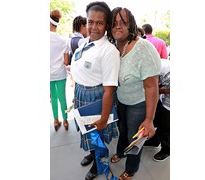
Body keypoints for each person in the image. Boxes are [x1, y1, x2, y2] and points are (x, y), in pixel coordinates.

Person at [109, 7, 161, 180]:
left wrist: (149, 119)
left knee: (135, 137)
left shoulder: (143, 48)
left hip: (139, 104)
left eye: (123, 22)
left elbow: (152, 87)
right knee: (122, 131)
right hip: (121, 101)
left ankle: (131, 169)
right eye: (114, 23)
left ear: (131, 24)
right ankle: (121, 153)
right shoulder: (113, 46)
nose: (118, 26)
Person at [70, 2, 120, 180]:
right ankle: (93, 154)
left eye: (99, 23)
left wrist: (104, 118)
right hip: (81, 93)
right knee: (87, 131)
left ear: (107, 25)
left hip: (97, 97)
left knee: (97, 133)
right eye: (91, 22)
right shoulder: (84, 42)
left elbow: (109, 90)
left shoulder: (109, 51)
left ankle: (98, 166)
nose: (94, 27)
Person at [145, 58, 170, 162]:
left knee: (165, 128)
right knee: (155, 121)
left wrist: (158, 91)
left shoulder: (167, 70)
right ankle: (154, 141)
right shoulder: (154, 64)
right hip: (163, 99)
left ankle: (166, 150)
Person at [50, 9, 70, 131]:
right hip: (61, 73)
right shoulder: (63, 41)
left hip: (47, 75)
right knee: (63, 97)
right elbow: (66, 62)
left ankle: (56, 120)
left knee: (54, 97)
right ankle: (66, 120)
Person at [66, 15, 88, 87]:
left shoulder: (72, 39)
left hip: (77, 74)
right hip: (83, 76)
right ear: (82, 26)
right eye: (87, 26)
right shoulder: (81, 41)